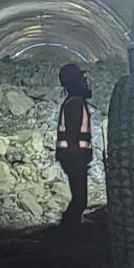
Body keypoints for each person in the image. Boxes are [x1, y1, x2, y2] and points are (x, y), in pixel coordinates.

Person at [55, 62, 92, 227]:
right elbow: (72, 136)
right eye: (81, 79)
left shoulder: (73, 102)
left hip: (70, 157)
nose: (85, 82)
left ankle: (69, 229)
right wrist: (78, 160)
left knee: (79, 198)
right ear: (74, 82)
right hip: (73, 158)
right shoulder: (75, 104)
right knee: (80, 199)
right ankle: (68, 230)